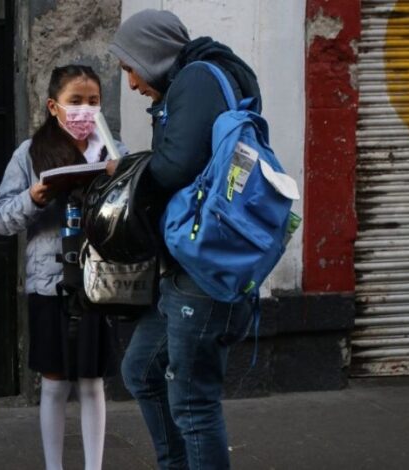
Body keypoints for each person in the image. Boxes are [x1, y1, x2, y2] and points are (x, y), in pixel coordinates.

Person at [108, 9, 259, 470]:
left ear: (152, 55)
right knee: (141, 370)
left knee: (193, 403)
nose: (132, 83)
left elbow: (175, 166)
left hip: (204, 265)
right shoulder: (197, 80)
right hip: (187, 261)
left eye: (132, 67)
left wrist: (128, 172)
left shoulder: (196, 79)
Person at [0, 65, 127, 470]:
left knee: (91, 380)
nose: (85, 110)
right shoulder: (30, 153)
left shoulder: (113, 150)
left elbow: (134, 212)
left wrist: (120, 181)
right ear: (54, 106)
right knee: (54, 381)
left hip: (98, 280)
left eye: (93, 101)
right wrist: (33, 198)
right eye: (75, 101)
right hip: (49, 282)